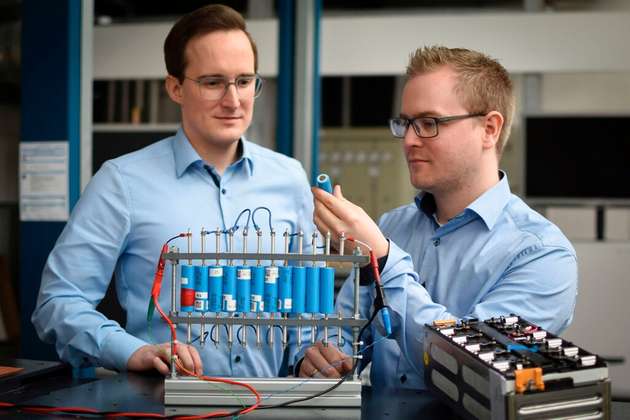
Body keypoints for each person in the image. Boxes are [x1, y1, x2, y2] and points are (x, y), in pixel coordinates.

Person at [32, 4, 314, 377]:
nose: (233, 100)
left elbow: (306, 306)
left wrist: (311, 352)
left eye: (244, 81)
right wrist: (132, 352)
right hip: (161, 405)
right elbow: (58, 301)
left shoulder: (290, 178)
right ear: (175, 88)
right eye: (213, 82)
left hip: (271, 406)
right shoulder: (121, 183)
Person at [298, 46, 578, 390]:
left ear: (489, 128)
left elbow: (472, 370)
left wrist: (386, 261)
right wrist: (322, 356)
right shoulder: (392, 227)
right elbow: (346, 330)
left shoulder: (541, 254)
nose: (410, 141)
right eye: (406, 123)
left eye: (429, 123)